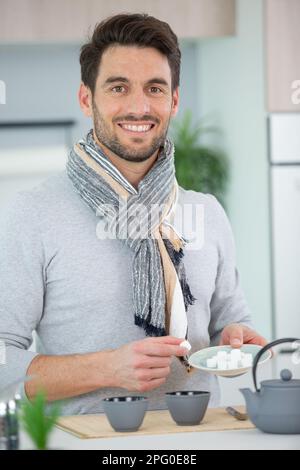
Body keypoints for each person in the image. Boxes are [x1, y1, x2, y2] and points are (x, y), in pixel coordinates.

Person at [0, 13, 267, 415]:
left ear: (174, 101)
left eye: (155, 88)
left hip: (201, 442)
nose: (139, 106)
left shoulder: (206, 212)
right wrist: (106, 368)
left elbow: (232, 326)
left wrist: (235, 340)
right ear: (87, 98)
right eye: (118, 87)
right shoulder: (32, 214)